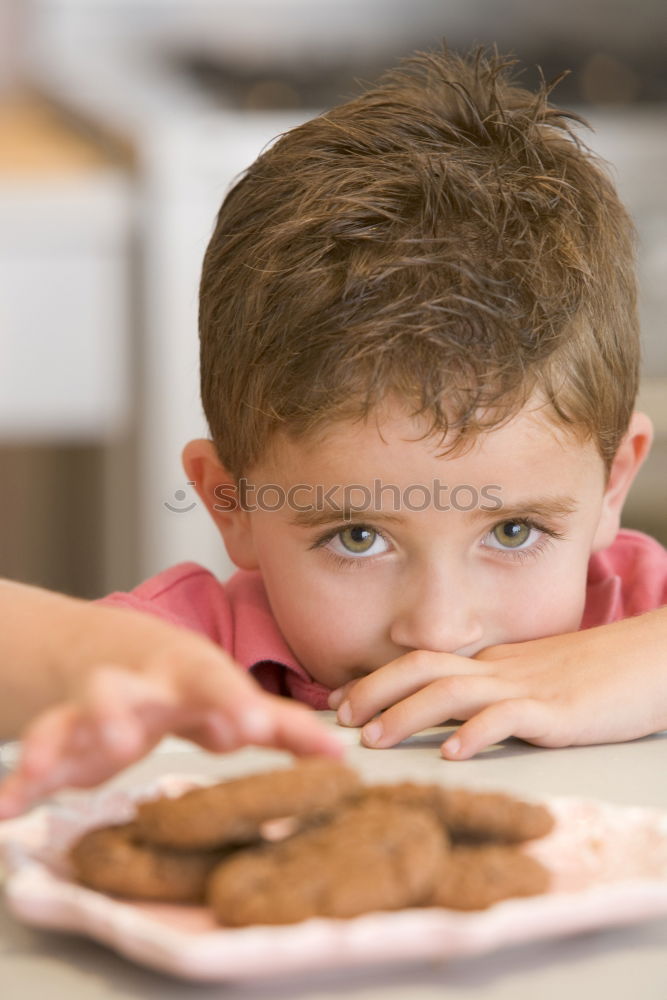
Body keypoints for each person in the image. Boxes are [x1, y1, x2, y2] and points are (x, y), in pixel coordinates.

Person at [1, 46, 665, 819]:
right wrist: (101, 661)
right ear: (232, 503)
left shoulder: (633, 613)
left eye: (513, 530)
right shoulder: (198, 658)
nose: (438, 627)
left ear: (614, 480)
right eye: (356, 537)